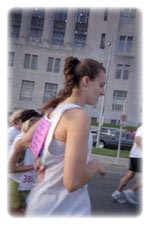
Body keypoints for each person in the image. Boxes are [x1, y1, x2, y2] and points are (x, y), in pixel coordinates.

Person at [9, 56, 106, 217]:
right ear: (86, 81)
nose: (102, 92)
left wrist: (39, 164)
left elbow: (24, 141)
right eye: (101, 85)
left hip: (40, 205)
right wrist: (95, 165)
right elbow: (72, 182)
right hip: (63, 209)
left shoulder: (54, 112)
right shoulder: (78, 116)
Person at [8, 109, 42, 215]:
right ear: (24, 123)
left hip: (28, 185)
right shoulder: (20, 141)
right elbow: (10, 168)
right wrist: (34, 166)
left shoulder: (33, 141)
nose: (35, 124)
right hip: (16, 186)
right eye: (32, 120)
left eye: (37, 121)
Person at [112, 125, 143, 204]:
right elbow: (137, 140)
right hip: (140, 156)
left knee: (130, 174)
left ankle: (117, 193)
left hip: (136, 155)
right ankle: (131, 191)